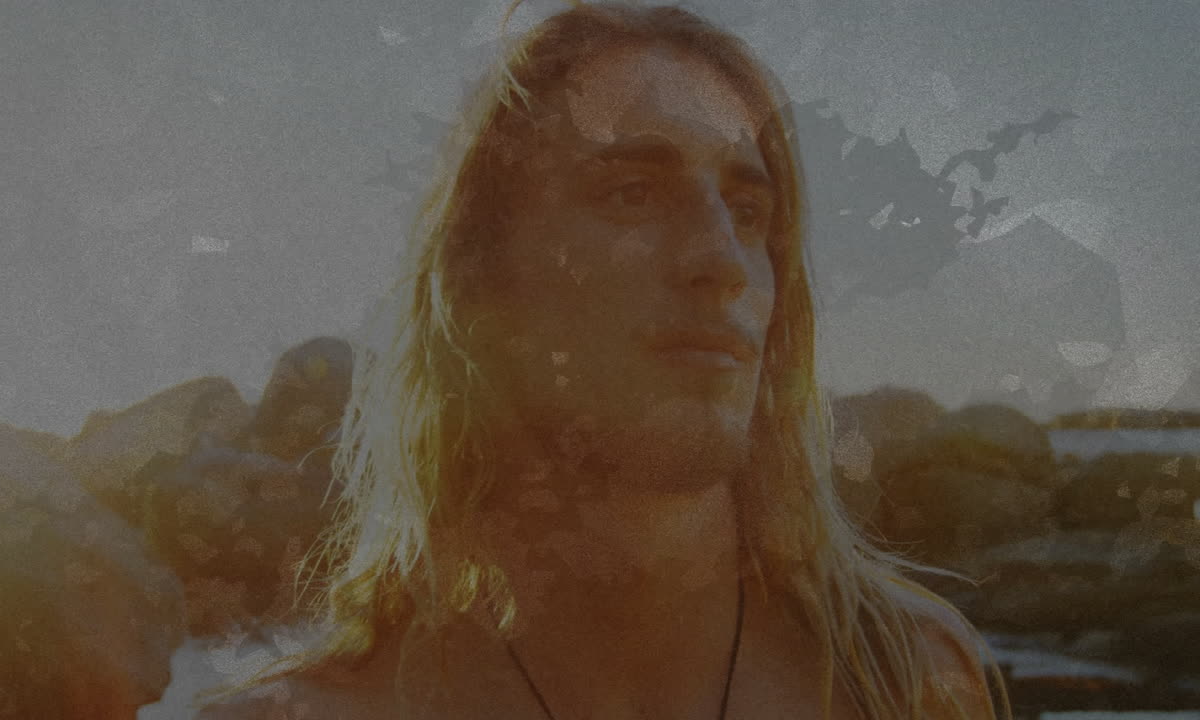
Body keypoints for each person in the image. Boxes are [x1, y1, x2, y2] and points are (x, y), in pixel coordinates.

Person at [201, 3, 1004, 718]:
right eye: (633, 194)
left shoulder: (905, 685)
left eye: (749, 208)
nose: (722, 258)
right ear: (486, 284)